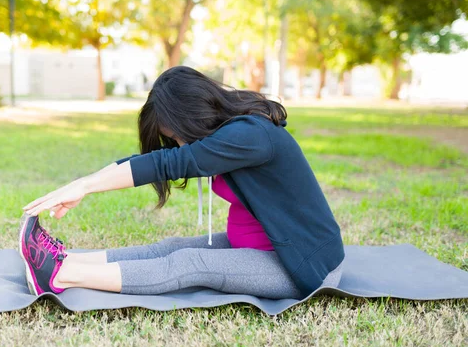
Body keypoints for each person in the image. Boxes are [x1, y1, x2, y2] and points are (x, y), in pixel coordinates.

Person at [20, 65, 345, 300]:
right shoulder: (228, 132)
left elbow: (171, 164)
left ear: (192, 114)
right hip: (259, 245)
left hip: (300, 266)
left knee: (190, 262)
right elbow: (152, 160)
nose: (177, 146)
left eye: (176, 136)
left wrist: (86, 186)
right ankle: (69, 259)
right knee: (172, 247)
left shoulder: (250, 135)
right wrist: (86, 181)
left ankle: (61, 275)